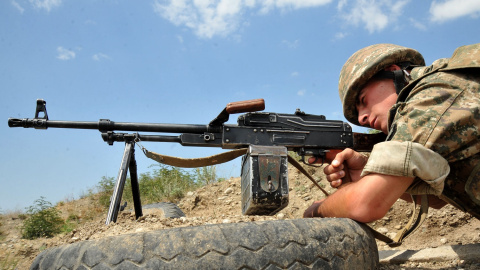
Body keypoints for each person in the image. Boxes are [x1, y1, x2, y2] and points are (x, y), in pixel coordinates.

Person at [303, 43, 480, 225]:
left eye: (363, 100)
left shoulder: (433, 97)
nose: (362, 118)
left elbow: (364, 204)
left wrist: (317, 211)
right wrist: (366, 169)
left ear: (393, 71)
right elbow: (437, 199)